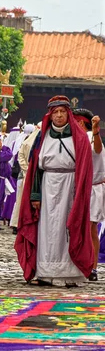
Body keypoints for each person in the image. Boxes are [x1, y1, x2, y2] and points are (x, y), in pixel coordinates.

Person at [15, 96, 94, 286]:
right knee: (47, 228)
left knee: (66, 227)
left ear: (68, 114)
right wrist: (35, 195)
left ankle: (69, 273)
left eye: (62, 112)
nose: (59, 116)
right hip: (47, 185)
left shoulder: (80, 138)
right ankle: (45, 273)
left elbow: (85, 168)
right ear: (50, 116)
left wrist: (78, 194)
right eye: (55, 112)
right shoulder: (42, 137)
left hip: (70, 186)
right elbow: (36, 168)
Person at [73, 108, 105, 281]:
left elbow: (98, 150)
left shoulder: (92, 139)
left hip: (93, 190)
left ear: (80, 122)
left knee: (91, 228)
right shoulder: (76, 139)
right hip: (78, 189)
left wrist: (96, 132)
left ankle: (92, 267)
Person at [10, 124, 36, 233]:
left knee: (20, 200)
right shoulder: (31, 142)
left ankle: (17, 223)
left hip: (23, 174)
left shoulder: (24, 141)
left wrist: (25, 169)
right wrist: (29, 170)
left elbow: (19, 157)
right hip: (28, 175)